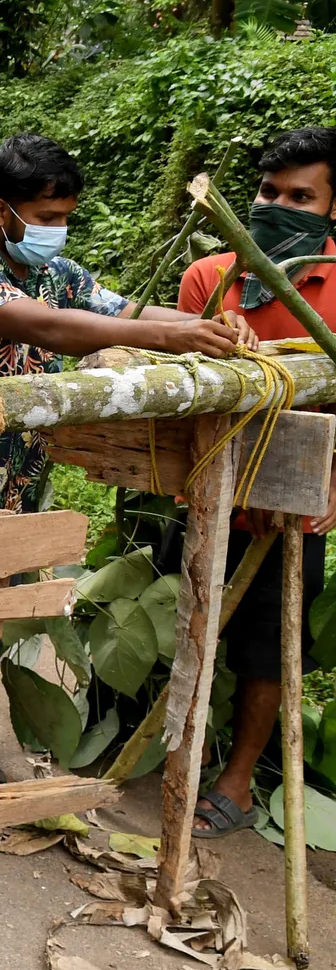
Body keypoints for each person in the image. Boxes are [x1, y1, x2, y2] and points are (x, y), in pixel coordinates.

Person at [0, 133, 249, 792]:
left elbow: (122, 311)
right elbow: (49, 328)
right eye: (48, 218)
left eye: (65, 217)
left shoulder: (62, 274)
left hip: (18, 478)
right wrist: (171, 334)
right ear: (1, 212)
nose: (59, 230)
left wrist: (211, 327)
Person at [176, 126, 336, 838]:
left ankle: (237, 781)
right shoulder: (209, 279)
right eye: (269, 192)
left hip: (293, 503)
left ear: (332, 209)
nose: (278, 205)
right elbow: (173, 390)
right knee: (188, 622)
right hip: (207, 487)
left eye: (301, 196)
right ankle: (173, 746)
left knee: (273, 645)